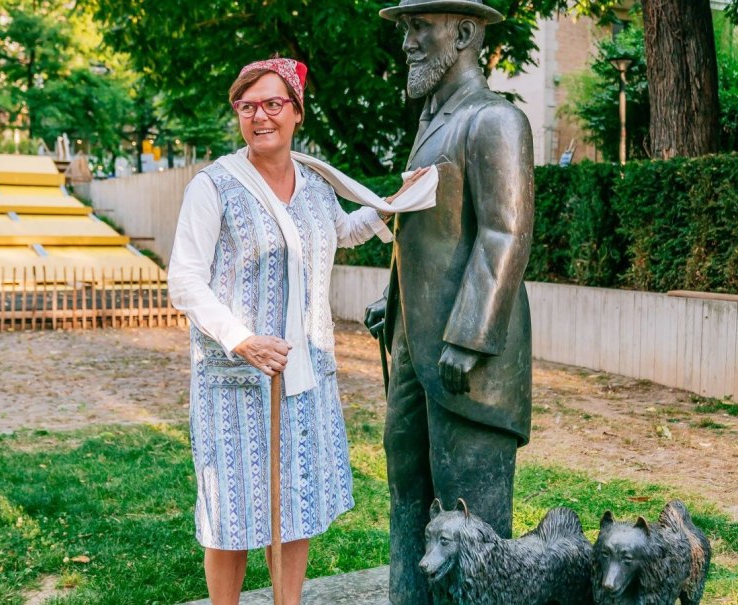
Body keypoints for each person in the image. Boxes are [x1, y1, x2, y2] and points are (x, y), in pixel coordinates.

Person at [168, 58, 432, 605]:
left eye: (272, 103)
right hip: (236, 380)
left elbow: (341, 232)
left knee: (293, 506)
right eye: (247, 106)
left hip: (305, 372)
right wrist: (240, 337)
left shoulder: (313, 184)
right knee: (234, 512)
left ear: (296, 112)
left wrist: (394, 203)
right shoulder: (213, 186)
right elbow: (185, 281)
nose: (259, 115)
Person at [364, 1, 536, 603]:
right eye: (407, 29)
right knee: (406, 479)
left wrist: (467, 336)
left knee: (471, 510)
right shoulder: (434, 124)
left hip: (468, 356)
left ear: (464, 32)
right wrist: (398, 305)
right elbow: (427, 235)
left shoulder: (495, 121)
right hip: (416, 342)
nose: (407, 43)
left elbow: (505, 234)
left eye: (419, 28)